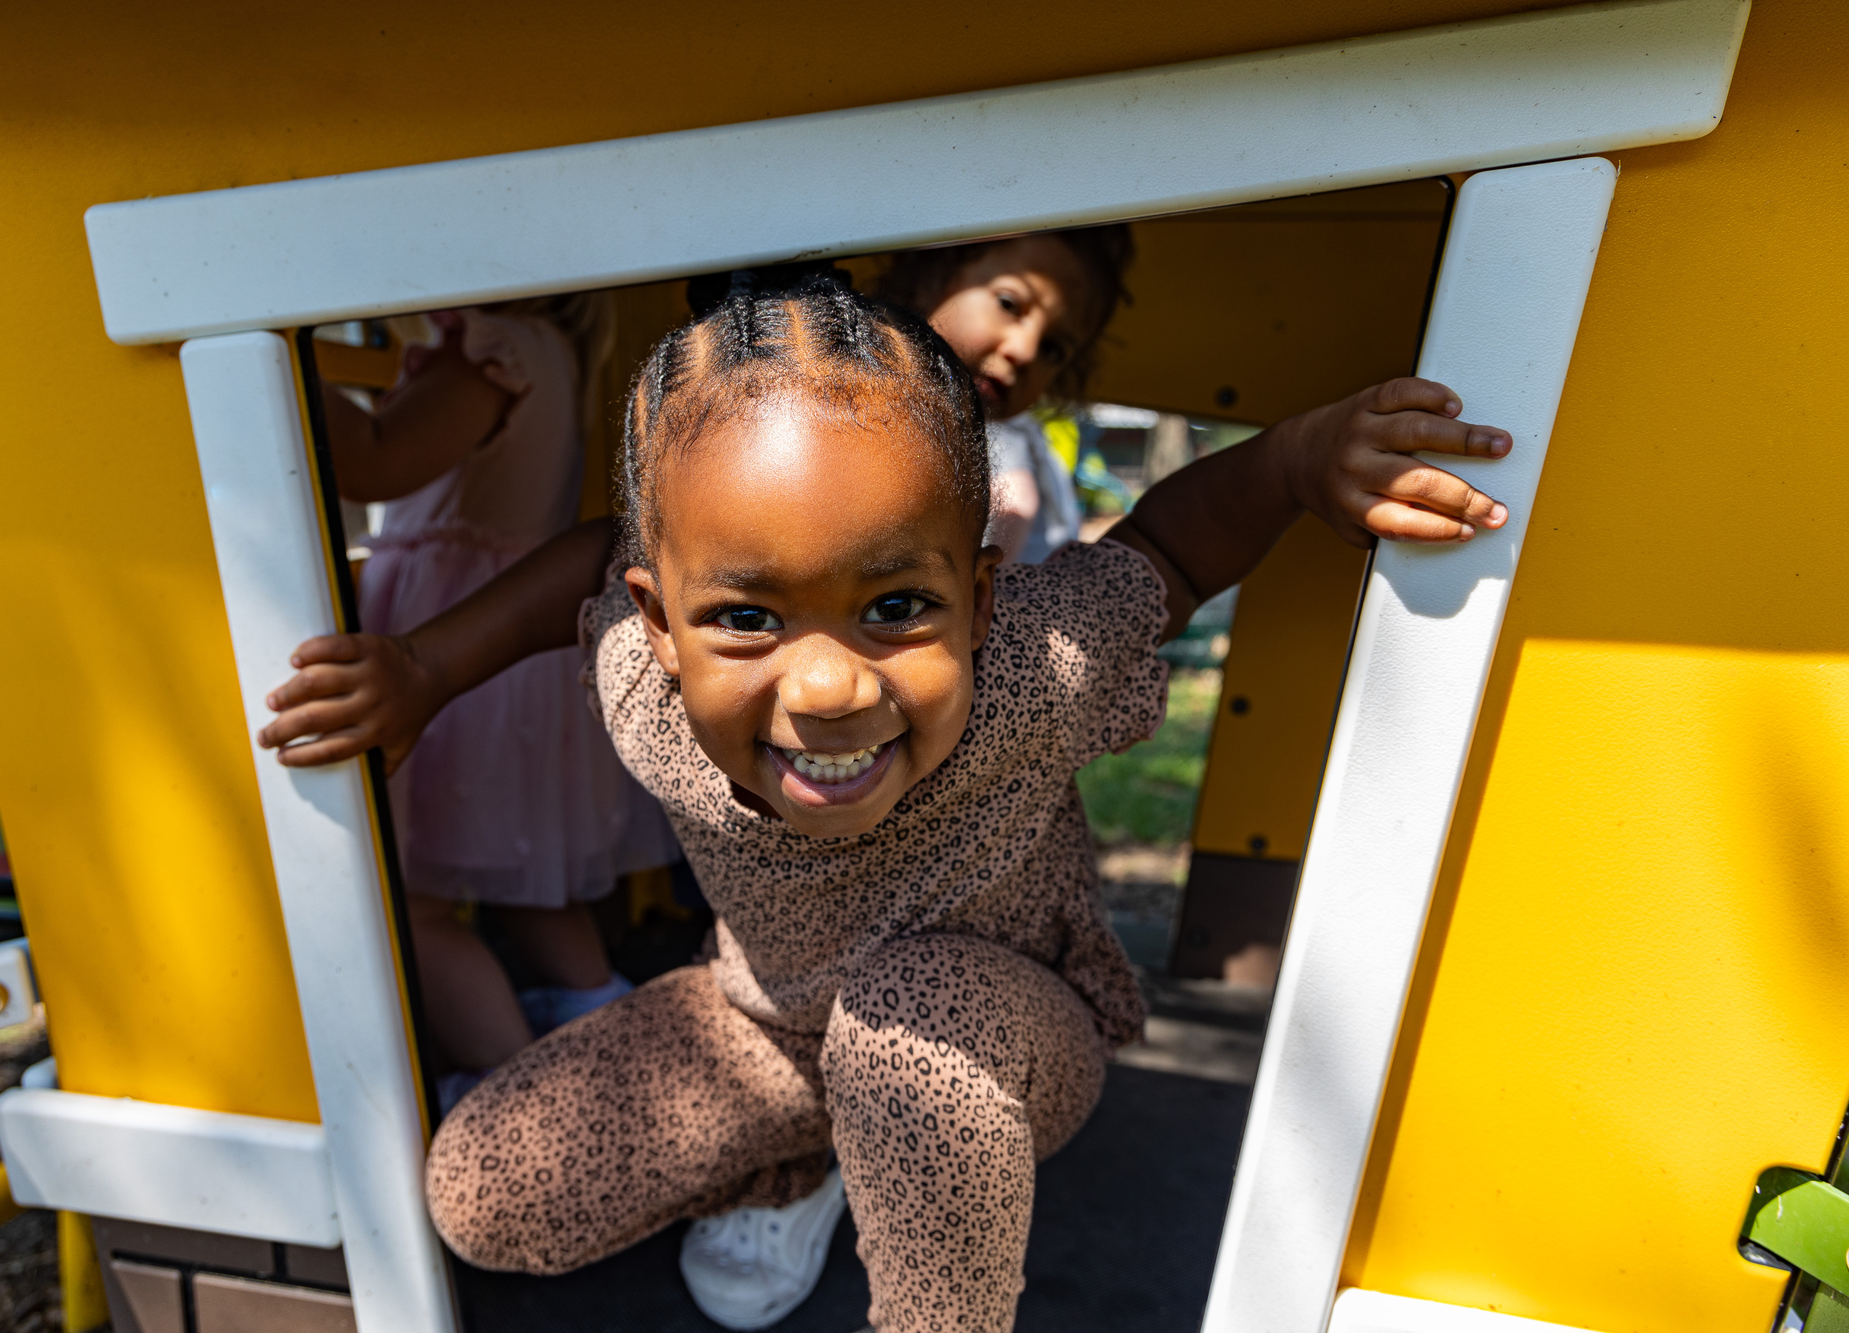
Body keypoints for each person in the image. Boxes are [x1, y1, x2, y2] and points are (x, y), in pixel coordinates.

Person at [256, 275, 1511, 1333]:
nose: (827, 687)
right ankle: (822, 1148)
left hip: (1001, 1032)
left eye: (895, 607)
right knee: (485, 1193)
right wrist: (421, 670)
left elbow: (1173, 548)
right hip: (766, 1025)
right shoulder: (640, 688)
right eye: (747, 617)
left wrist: (1296, 459)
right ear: (656, 627)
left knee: (905, 1028)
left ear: (978, 596)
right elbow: (587, 562)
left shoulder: (1028, 668)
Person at [323, 297, 676, 1105]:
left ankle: (523, 1096)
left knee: (413, 902)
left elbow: (377, 459)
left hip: (463, 662)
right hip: (515, 669)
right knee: (530, 891)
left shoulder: (490, 352)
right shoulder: (548, 349)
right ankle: (615, 1037)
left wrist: (279, 370)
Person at [879, 227, 1135, 562]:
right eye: (1009, 304)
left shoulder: (988, 429)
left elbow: (1015, 502)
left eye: (1053, 349)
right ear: (932, 274)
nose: (1025, 351)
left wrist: (974, 576)